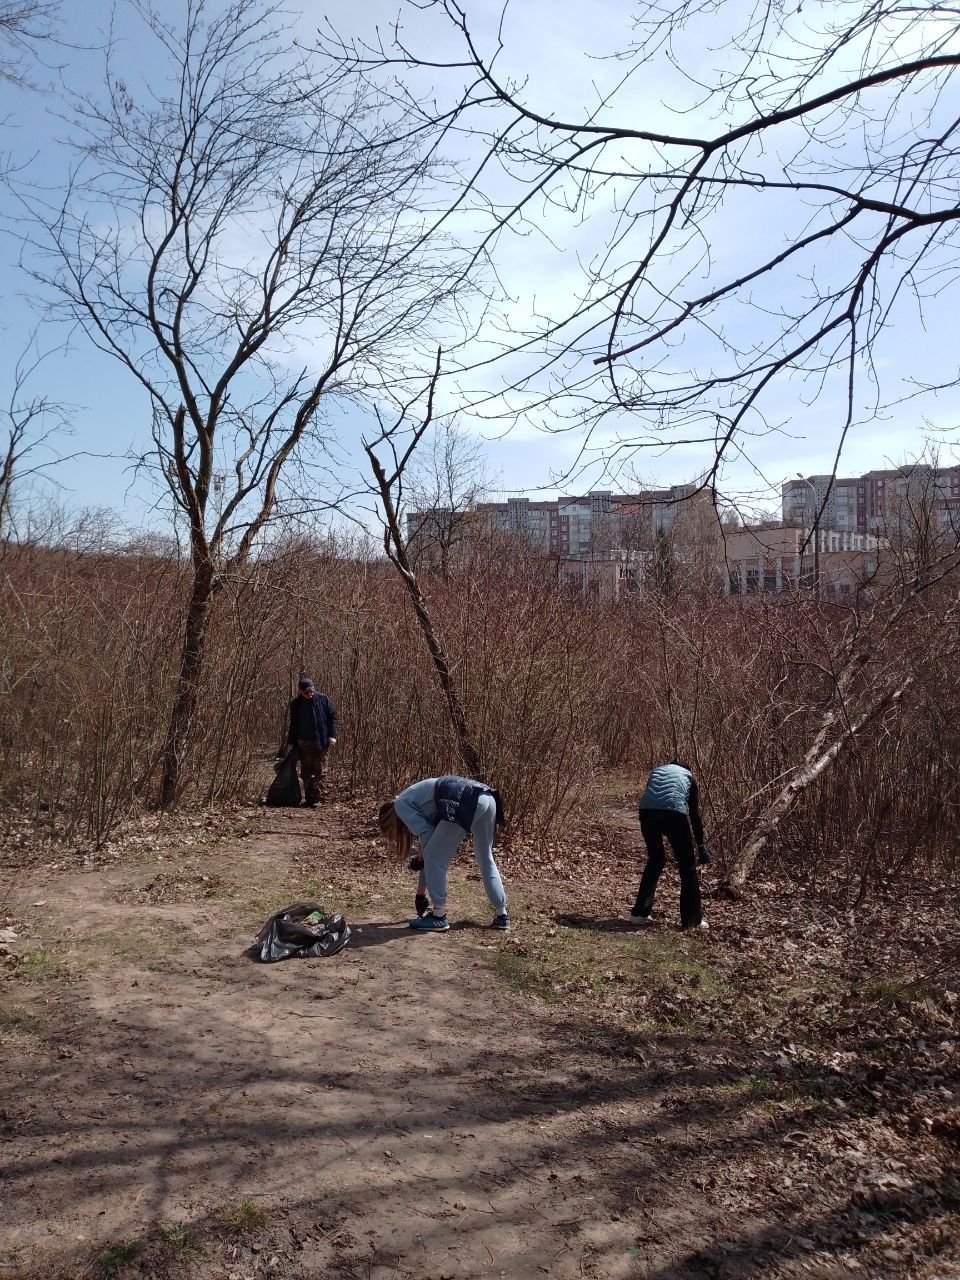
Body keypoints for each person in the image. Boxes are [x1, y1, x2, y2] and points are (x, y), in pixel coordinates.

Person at [378, 775, 510, 932]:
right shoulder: (414, 798)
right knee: (486, 857)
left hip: (464, 800)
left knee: (434, 856)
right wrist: (420, 893)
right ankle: (502, 915)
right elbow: (427, 844)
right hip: (486, 795)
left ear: (391, 822)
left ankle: (438, 916)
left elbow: (428, 847)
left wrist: (420, 892)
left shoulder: (400, 805)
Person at [629, 759, 709, 930]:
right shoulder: (689, 777)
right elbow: (694, 815)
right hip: (673, 814)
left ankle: (638, 915)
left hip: (646, 813)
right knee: (687, 867)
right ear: (688, 769)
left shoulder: (656, 771)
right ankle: (692, 919)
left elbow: (651, 796)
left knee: (655, 860)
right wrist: (701, 846)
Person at [285, 678, 337, 806]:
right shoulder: (296, 704)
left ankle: (318, 798)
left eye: (311, 691)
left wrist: (332, 735)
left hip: (321, 742)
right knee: (306, 771)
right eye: (306, 692)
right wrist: (290, 743)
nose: (310, 694)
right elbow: (293, 725)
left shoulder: (323, 699)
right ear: (301, 692)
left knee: (319, 770)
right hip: (303, 743)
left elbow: (332, 718)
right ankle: (309, 798)